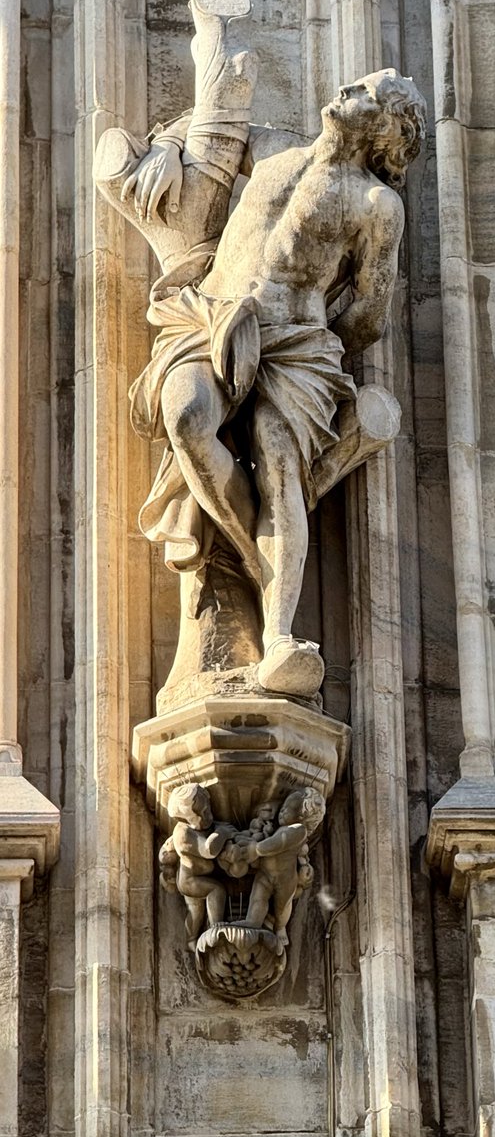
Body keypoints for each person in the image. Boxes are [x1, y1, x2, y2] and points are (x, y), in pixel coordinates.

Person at [121, 67, 426, 697]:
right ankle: (259, 563)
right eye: (355, 84)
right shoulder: (273, 148)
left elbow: (370, 312)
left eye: (369, 94)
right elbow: (212, 137)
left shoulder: (377, 204)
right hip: (212, 317)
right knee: (185, 418)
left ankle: (280, 634)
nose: (349, 91)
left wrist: (309, 333)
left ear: (388, 129)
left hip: (298, 345)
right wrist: (167, 149)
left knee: (280, 461)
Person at [239, 788, 327, 946]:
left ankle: (280, 928)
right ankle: (252, 922)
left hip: (285, 880)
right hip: (265, 874)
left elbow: (279, 843)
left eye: (286, 809)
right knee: (258, 898)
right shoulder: (281, 827)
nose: (281, 812)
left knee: (282, 906)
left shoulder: (298, 831)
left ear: (300, 817)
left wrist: (257, 849)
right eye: (283, 807)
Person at [166, 784, 234, 949]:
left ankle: (193, 938)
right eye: (203, 813)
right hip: (190, 880)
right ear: (187, 818)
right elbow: (208, 850)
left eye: (208, 809)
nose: (208, 815)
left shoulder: (202, 826)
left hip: (199, 875)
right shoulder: (183, 834)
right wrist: (223, 833)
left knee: (196, 911)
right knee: (215, 891)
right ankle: (216, 928)